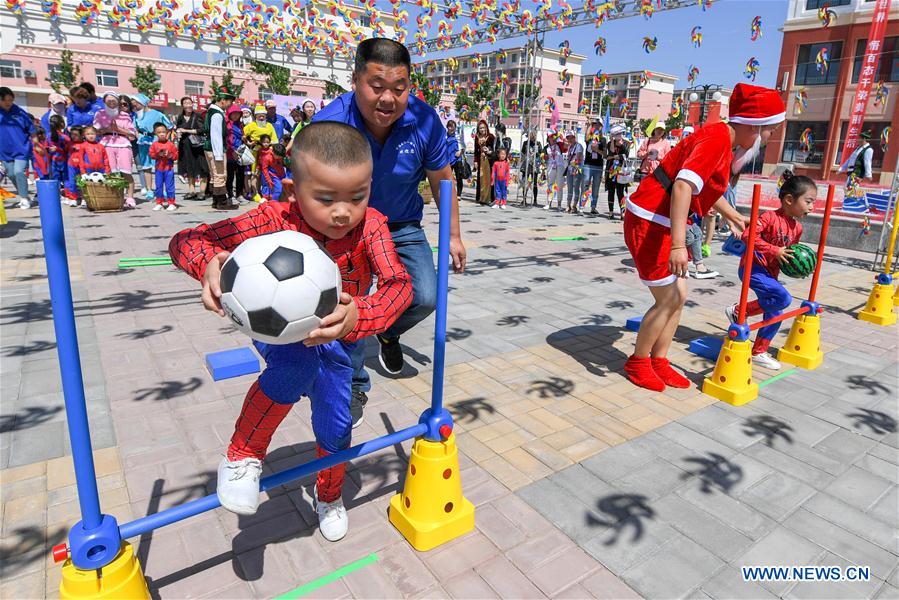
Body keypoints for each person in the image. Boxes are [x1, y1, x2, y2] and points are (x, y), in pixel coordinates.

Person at [168, 121, 413, 541]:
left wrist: (361, 316)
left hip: (341, 341)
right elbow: (188, 239)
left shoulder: (370, 225)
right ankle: (242, 455)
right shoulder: (274, 218)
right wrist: (206, 264)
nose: (343, 211)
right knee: (297, 364)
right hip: (280, 335)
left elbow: (399, 286)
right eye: (325, 198)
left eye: (357, 196)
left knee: (337, 420)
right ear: (292, 189)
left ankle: (329, 494)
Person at [313, 38, 466, 424]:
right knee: (349, 305)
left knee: (427, 296)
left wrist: (453, 236)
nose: (388, 99)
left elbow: (442, 180)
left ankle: (385, 331)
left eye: (399, 88)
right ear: (355, 81)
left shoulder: (424, 120)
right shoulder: (331, 123)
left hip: (401, 225)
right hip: (347, 227)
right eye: (377, 86)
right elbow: (312, 187)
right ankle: (354, 386)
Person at [622, 82, 783, 391]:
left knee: (679, 295)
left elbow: (700, 187)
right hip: (651, 220)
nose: (769, 139)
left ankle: (659, 360)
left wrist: (731, 214)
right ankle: (638, 362)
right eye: (770, 131)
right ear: (755, 127)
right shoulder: (717, 140)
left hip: (663, 219)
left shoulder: (724, 139)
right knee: (668, 297)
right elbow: (682, 186)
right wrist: (680, 245)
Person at [724, 172, 815, 370]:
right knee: (783, 298)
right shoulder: (768, 217)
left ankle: (759, 351)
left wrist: (798, 268)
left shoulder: (797, 228)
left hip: (770, 273)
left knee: (776, 311)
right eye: (808, 201)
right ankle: (739, 311)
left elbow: (789, 256)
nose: (812, 207)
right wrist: (775, 250)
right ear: (789, 199)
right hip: (753, 268)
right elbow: (749, 236)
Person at [93, 91, 138, 207]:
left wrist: (118, 129)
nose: (112, 103)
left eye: (114, 101)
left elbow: (132, 134)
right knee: (110, 171)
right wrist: (107, 129)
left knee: (126, 171)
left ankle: (130, 197)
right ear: (104, 102)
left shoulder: (125, 115)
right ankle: (112, 196)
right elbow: (95, 131)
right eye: (109, 101)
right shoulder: (100, 113)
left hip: (123, 143)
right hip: (107, 143)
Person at [131, 93, 173, 201]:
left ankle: (162, 189)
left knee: (159, 166)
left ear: (142, 103)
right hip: (142, 143)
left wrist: (165, 140)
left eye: (136, 105)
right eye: (133, 106)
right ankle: (149, 190)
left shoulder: (157, 114)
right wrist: (138, 137)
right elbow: (134, 128)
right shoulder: (136, 115)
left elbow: (169, 126)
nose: (134, 107)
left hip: (156, 143)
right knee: (146, 167)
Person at [0, 87, 36, 208]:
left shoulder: (19, 112)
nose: (8, 103)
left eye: (11, 99)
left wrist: (36, 144)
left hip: (21, 148)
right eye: (5, 100)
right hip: (4, 151)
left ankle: (24, 197)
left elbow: (31, 129)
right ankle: (24, 194)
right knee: (10, 174)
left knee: (19, 172)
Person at [204, 85, 238, 210]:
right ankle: (221, 203)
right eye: (229, 102)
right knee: (220, 175)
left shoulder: (211, 112)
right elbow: (216, 135)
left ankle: (215, 200)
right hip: (215, 149)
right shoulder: (217, 115)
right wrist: (218, 154)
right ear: (223, 101)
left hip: (209, 148)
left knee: (214, 175)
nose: (230, 105)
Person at [175, 96, 209, 201]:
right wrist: (178, 133)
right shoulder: (180, 117)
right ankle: (192, 191)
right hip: (185, 146)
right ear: (182, 105)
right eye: (186, 103)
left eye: (190, 103)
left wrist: (186, 130)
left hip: (198, 146)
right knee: (189, 167)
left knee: (203, 168)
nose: (188, 105)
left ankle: (202, 192)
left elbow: (202, 130)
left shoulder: (197, 116)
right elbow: (178, 129)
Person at [149, 122, 179, 211]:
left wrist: (170, 155)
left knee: (170, 186)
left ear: (167, 133)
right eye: (159, 132)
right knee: (158, 186)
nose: (162, 134)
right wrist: (159, 154)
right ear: (155, 133)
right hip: (159, 169)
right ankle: (159, 202)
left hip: (169, 168)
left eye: (163, 132)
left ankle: (171, 203)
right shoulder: (154, 144)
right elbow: (151, 154)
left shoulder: (170, 144)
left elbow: (176, 155)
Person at [605, 124, 631, 219]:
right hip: (611, 171)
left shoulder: (626, 143)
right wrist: (612, 141)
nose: (618, 136)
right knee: (610, 192)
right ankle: (611, 212)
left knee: (620, 193)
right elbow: (610, 153)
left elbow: (626, 155)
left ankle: (622, 213)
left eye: (620, 133)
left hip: (621, 172)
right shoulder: (609, 143)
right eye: (616, 134)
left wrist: (621, 146)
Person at [685, 214, 718, 279]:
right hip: (673, 215)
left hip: (686, 216)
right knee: (689, 238)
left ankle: (700, 267)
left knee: (697, 233)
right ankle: (679, 265)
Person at [225, 104, 246, 203]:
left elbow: (242, 136)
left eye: (238, 114)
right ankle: (230, 195)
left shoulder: (240, 125)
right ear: (229, 114)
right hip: (230, 153)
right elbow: (226, 140)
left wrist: (244, 138)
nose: (236, 116)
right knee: (230, 176)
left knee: (240, 174)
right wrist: (231, 150)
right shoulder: (226, 124)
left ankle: (239, 194)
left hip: (240, 153)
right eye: (234, 114)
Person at [257, 136, 286, 201]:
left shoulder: (279, 154)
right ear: (273, 153)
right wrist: (269, 180)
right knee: (278, 189)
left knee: (283, 189)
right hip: (273, 175)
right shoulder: (267, 157)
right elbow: (264, 169)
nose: (279, 158)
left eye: (280, 157)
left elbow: (281, 165)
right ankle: (273, 202)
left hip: (281, 174)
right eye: (278, 156)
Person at [583, 132, 605, 214]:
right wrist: (589, 124)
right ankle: (582, 205)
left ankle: (593, 207)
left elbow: (605, 154)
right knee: (585, 186)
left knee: (595, 188)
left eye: (598, 125)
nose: (596, 127)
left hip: (598, 166)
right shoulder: (589, 137)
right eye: (594, 125)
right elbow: (586, 137)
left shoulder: (603, 139)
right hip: (588, 165)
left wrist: (596, 150)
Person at [473, 119, 495, 205]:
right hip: (481, 161)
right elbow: (476, 151)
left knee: (489, 179)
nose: (482, 129)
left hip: (489, 161)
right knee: (481, 178)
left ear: (486, 128)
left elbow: (494, 149)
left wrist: (488, 150)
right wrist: (475, 161)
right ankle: (481, 198)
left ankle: (489, 198)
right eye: (480, 128)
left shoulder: (491, 137)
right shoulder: (477, 137)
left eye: (483, 128)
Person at [543, 132, 566, 210]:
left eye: (553, 137)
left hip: (560, 166)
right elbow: (543, 157)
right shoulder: (546, 147)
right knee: (550, 185)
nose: (552, 139)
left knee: (559, 185)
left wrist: (562, 137)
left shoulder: (559, 144)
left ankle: (559, 204)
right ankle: (549, 203)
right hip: (551, 166)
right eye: (550, 137)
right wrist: (544, 157)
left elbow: (566, 148)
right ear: (548, 138)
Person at [564, 130, 584, 213]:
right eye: (568, 138)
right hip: (569, 169)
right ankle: (568, 205)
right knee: (569, 188)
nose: (569, 139)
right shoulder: (570, 147)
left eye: (571, 137)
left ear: (574, 137)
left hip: (576, 169)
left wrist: (575, 166)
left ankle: (574, 206)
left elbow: (579, 158)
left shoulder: (578, 146)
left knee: (576, 188)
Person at [520, 130, 543, 204]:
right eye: (531, 134)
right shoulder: (525, 143)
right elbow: (522, 152)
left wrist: (535, 154)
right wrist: (527, 155)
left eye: (533, 134)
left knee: (534, 182)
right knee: (524, 181)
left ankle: (535, 200)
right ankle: (524, 199)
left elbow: (540, 153)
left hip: (534, 164)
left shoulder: (538, 143)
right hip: (526, 163)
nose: (532, 136)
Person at [47, 114, 70, 184]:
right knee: (66, 179)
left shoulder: (48, 135)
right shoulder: (65, 137)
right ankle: (67, 192)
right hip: (64, 160)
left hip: (53, 161)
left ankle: (56, 193)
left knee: (55, 180)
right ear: (61, 123)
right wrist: (58, 149)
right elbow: (68, 149)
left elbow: (46, 147)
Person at [64, 126, 84, 205]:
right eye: (72, 134)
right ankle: (73, 198)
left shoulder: (85, 144)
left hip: (82, 166)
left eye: (76, 134)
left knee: (83, 182)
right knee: (72, 182)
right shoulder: (69, 143)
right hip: (71, 165)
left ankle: (84, 198)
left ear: (82, 135)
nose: (73, 136)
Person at [445, 120, 465, 197]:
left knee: (459, 177)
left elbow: (463, 146)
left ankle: (459, 194)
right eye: (450, 126)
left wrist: (460, 151)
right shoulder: (444, 136)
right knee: (447, 177)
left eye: (453, 126)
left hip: (457, 159)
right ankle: (448, 193)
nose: (452, 128)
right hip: (447, 159)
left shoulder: (458, 136)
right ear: (447, 127)